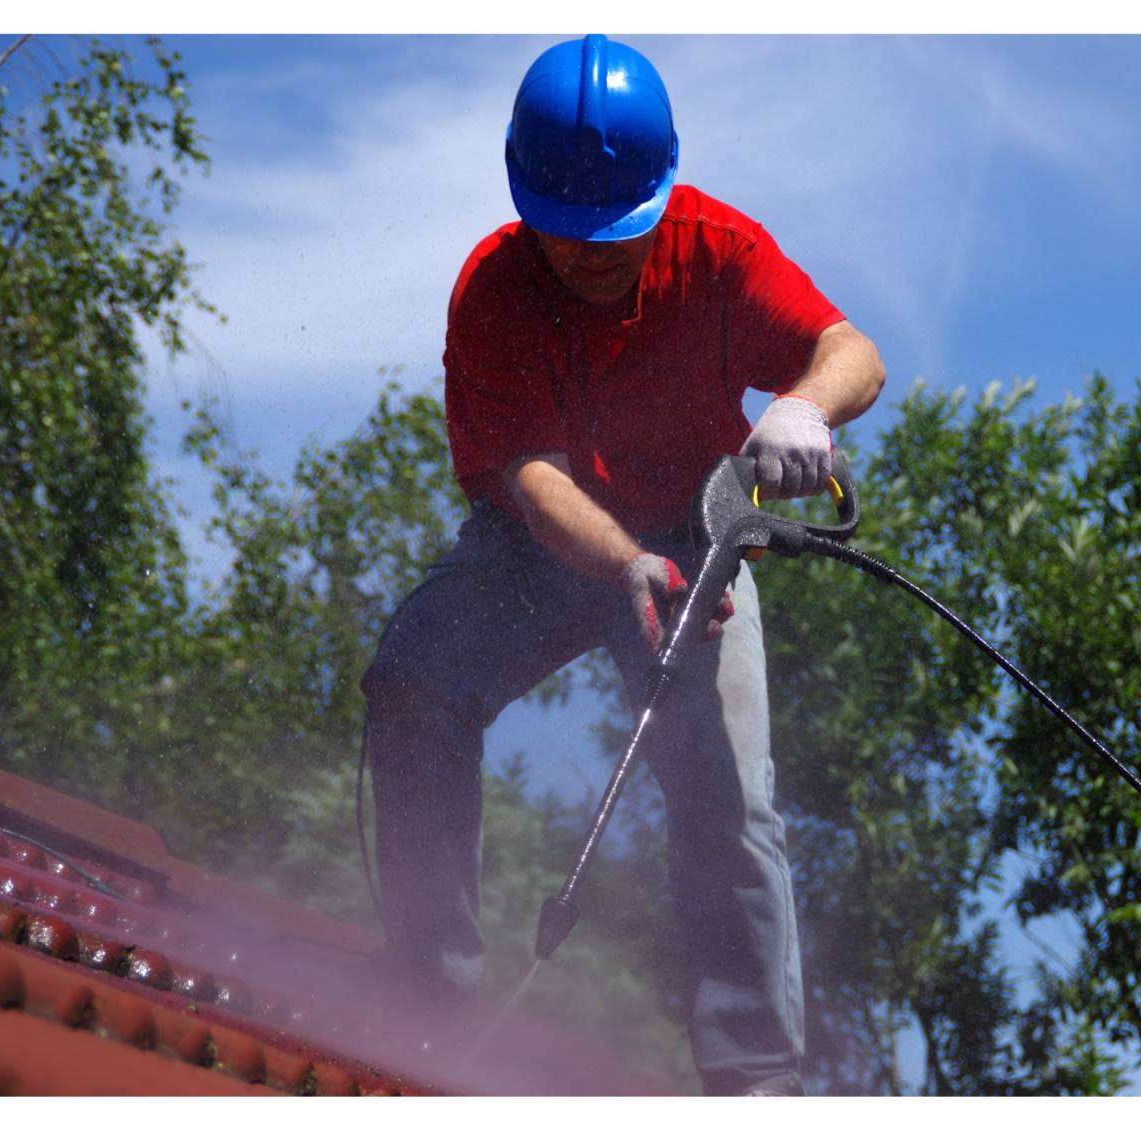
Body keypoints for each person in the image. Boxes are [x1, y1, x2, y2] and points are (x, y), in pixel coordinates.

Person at [360, 34, 884, 1097]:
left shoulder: (721, 251)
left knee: (729, 797)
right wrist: (622, 564)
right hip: (540, 550)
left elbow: (853, 352)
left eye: (619, 231)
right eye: (568, 232)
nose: (595, 253)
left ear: (662, 191)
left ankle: (756, 1083)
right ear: (525, 205)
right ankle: (425, 1003)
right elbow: (535, 480)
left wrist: (801, 406)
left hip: (698, 548)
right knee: (413, 680)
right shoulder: (493, 294)